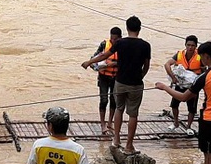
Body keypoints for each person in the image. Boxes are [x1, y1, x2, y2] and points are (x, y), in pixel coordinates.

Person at [82, 16, 150, 154]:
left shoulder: (120, 43)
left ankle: (116, 140)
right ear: (140, 29)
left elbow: (103, 56)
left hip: (120, 81)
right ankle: (129, 146)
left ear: (127, 28)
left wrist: (89, 62)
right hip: (136, 83)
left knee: (119, 109)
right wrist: (140, 77)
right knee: (133, 114)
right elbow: (146, 66)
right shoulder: (145, 45)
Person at [164, 36, 203, 135]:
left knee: (192, 108)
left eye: (193, 46)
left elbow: (204, 71)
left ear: (196, 46)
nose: (190, 48)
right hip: (180, 83)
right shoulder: (179, 54)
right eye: (188, 45)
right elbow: (167, 64)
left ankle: (188, 127)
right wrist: (172, 77)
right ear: (185, 45)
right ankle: (176, 122)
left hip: (192, 85)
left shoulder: (200, 56)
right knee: (174, 104)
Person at [92, 27, 121, 134]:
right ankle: (103, 124)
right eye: (112, 39)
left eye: (115, 39)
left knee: (114, 100)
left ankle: (110, 122)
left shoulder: (122, 46)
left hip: (116, 77)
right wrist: (96, 65)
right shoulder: (104, 44)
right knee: (104, 100)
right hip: (103, 77)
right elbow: (95, 57)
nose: (113, 41)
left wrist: (114, 64)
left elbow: (126, 61)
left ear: (120, 38)